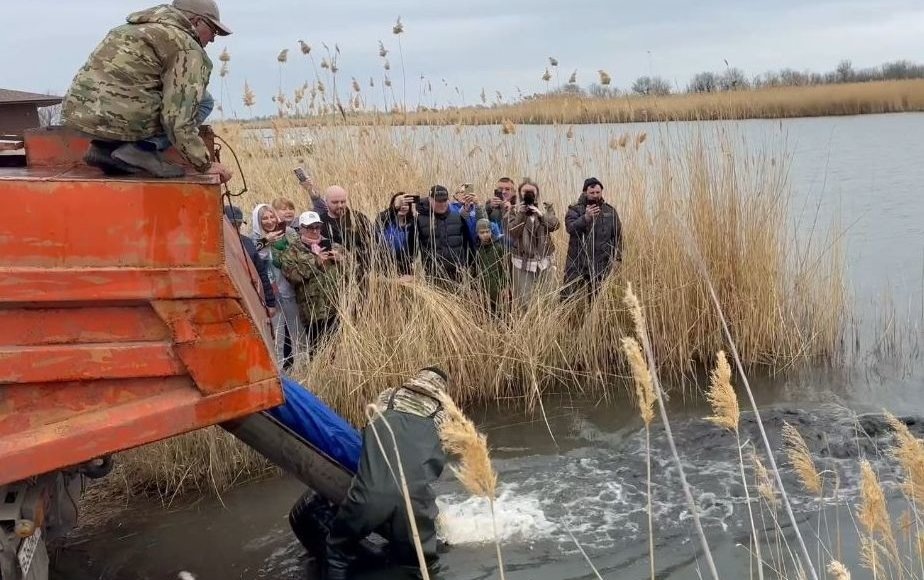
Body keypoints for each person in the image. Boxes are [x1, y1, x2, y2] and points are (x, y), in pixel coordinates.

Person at [61, 0, 232, 182]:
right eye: (213, 31)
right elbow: (177, 120)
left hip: (78, 114)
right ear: (197, 21)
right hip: (120, 114)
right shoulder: (186, 46)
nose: (213, 39)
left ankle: (102, 150)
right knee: (204, 101)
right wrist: (204, 164)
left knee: (137, 92)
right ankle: (142, 150)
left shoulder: (129, 29)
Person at [325, 367, 452, 580]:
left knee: (337, 550)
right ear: (441, 391)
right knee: (419, 566)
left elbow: (369, 434)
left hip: (370, 496)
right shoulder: (442, 415)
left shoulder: (387, 397)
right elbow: (435, 464)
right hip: (414, 503)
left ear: (414, 379)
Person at [279, 211, 343, 357]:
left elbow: (354, 270)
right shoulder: (291, 251)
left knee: (337, 349)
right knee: (316, 351)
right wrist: (315, 263)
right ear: (300, 228)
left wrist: (342, 260)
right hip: (312, 311)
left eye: (317, 226)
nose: (314, 231)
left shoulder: (332, 245)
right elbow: (292, 277)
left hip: (335, 307)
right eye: (310, 227)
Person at [252, 203, 304, 369]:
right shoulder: (254, 239)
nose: (269, 221)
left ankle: (303, 368)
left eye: (271, 216)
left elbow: (298, 250)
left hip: (288, 290)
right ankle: (279, 372)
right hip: (270, 296)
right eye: (264, 218)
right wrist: (265, 241)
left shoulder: (287, 233)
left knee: (298, 332)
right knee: (277, 335)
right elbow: (251, 256)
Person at [563, 177, 623, 298]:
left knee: (597, 301)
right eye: (592, 193)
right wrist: (586, 218)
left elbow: (618, 236)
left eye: (598, 192)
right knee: (568, 298)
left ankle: (594, 317)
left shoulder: (610, 211)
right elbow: (570, 228)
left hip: (600, 265)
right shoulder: (575, 209)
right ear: (585, 192)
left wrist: (618, 259)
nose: (595, 195)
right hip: (577, 264)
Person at [504, 179, 560, 305]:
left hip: (544, 260)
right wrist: (521, 215)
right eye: (525, 192)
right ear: (519, 194)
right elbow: (511, 233)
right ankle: (526, 323)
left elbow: (555, 225)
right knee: (524, 301)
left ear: (537, 194)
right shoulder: (513, 211)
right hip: (523, 261)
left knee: (549, 297)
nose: (528, 194)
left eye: (531, 192)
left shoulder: (545, 209)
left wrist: (540, 215)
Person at [302, 181, 373, 274]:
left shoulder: (358, 218)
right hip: (331, 274)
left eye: (343, 202)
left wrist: (346, 258)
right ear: (326, 202)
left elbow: (372, 244)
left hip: (360, 270)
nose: (340, 205)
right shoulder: (320, 222)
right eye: (335, 202)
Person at [224, 205, 276, 317]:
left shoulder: (247, 242)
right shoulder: (219, 247)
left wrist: (270, 303)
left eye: (239, 224)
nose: (236, 228)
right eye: (232, 224)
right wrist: (265, 241)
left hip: (252, 298)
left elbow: (262, 274)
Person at [416, 185, 474, 284]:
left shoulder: (457, 216)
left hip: (458, 274)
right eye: (439, 201)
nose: (442, 204)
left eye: (444, 200)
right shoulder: (419, 219)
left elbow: (468, 243)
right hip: (434, 276)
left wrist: (469, 265)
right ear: (430, 199)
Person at [376, 193, 418, 277]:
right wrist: (394, 207)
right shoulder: (385, 222)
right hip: (385, 267)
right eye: (400, 204)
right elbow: (380, 219)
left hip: (407, 269)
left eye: (406, 204)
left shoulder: (414, 224)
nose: (403, 207)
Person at [474, 219, 510, 315]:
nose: (485, 234)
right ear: (477, 233)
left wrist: (505, 286)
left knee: (501, 311)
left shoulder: (498, 247)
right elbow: (477, 269)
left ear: (491, 231)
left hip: (497, 286)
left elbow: (505, 268)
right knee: (487, 311)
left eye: (487, 231)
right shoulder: (477, 250)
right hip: (484, 287)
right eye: (482, 232)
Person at [485, 177, 517, 243]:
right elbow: (481, 226)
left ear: (513, 192)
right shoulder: (489, 206)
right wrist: (488, 208)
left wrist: (511, 211)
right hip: (495, 248)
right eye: (500, 189)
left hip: (513, 249)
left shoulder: (519, 207)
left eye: (507, 189)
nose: (503, 192)